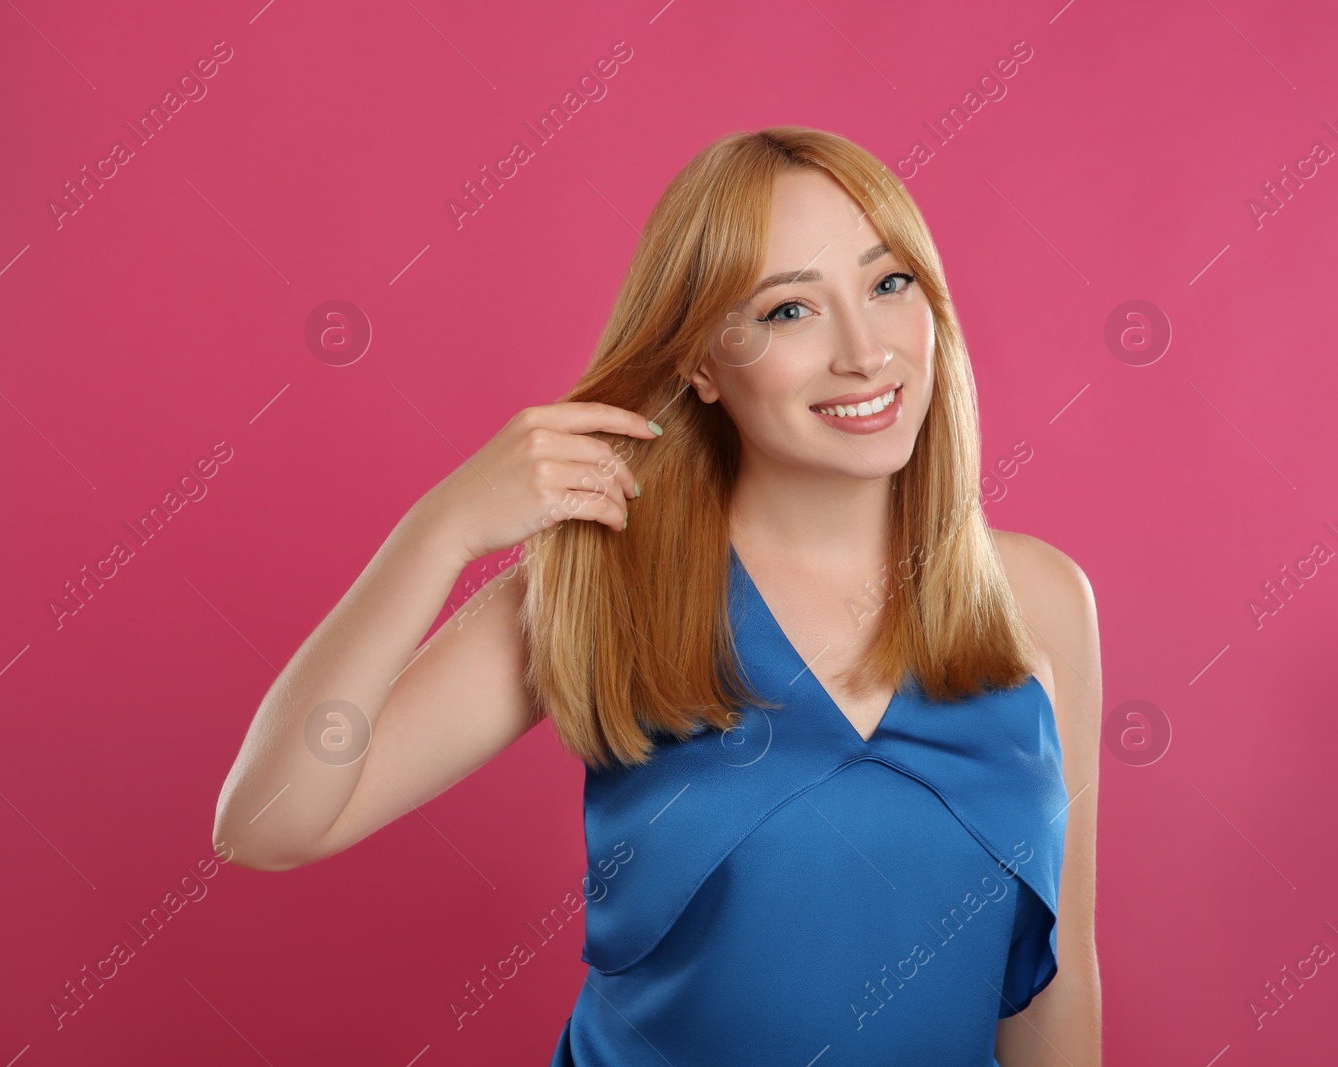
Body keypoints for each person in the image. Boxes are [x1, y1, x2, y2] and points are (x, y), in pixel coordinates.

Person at [213, 126, 1102, 1065]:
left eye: (889, 284)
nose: (864, 352)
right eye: (790, 311)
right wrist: (436, 534)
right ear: (699, 366)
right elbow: (267, 825)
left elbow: (1056, 979)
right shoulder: (605, 580)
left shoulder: (1041, 598)